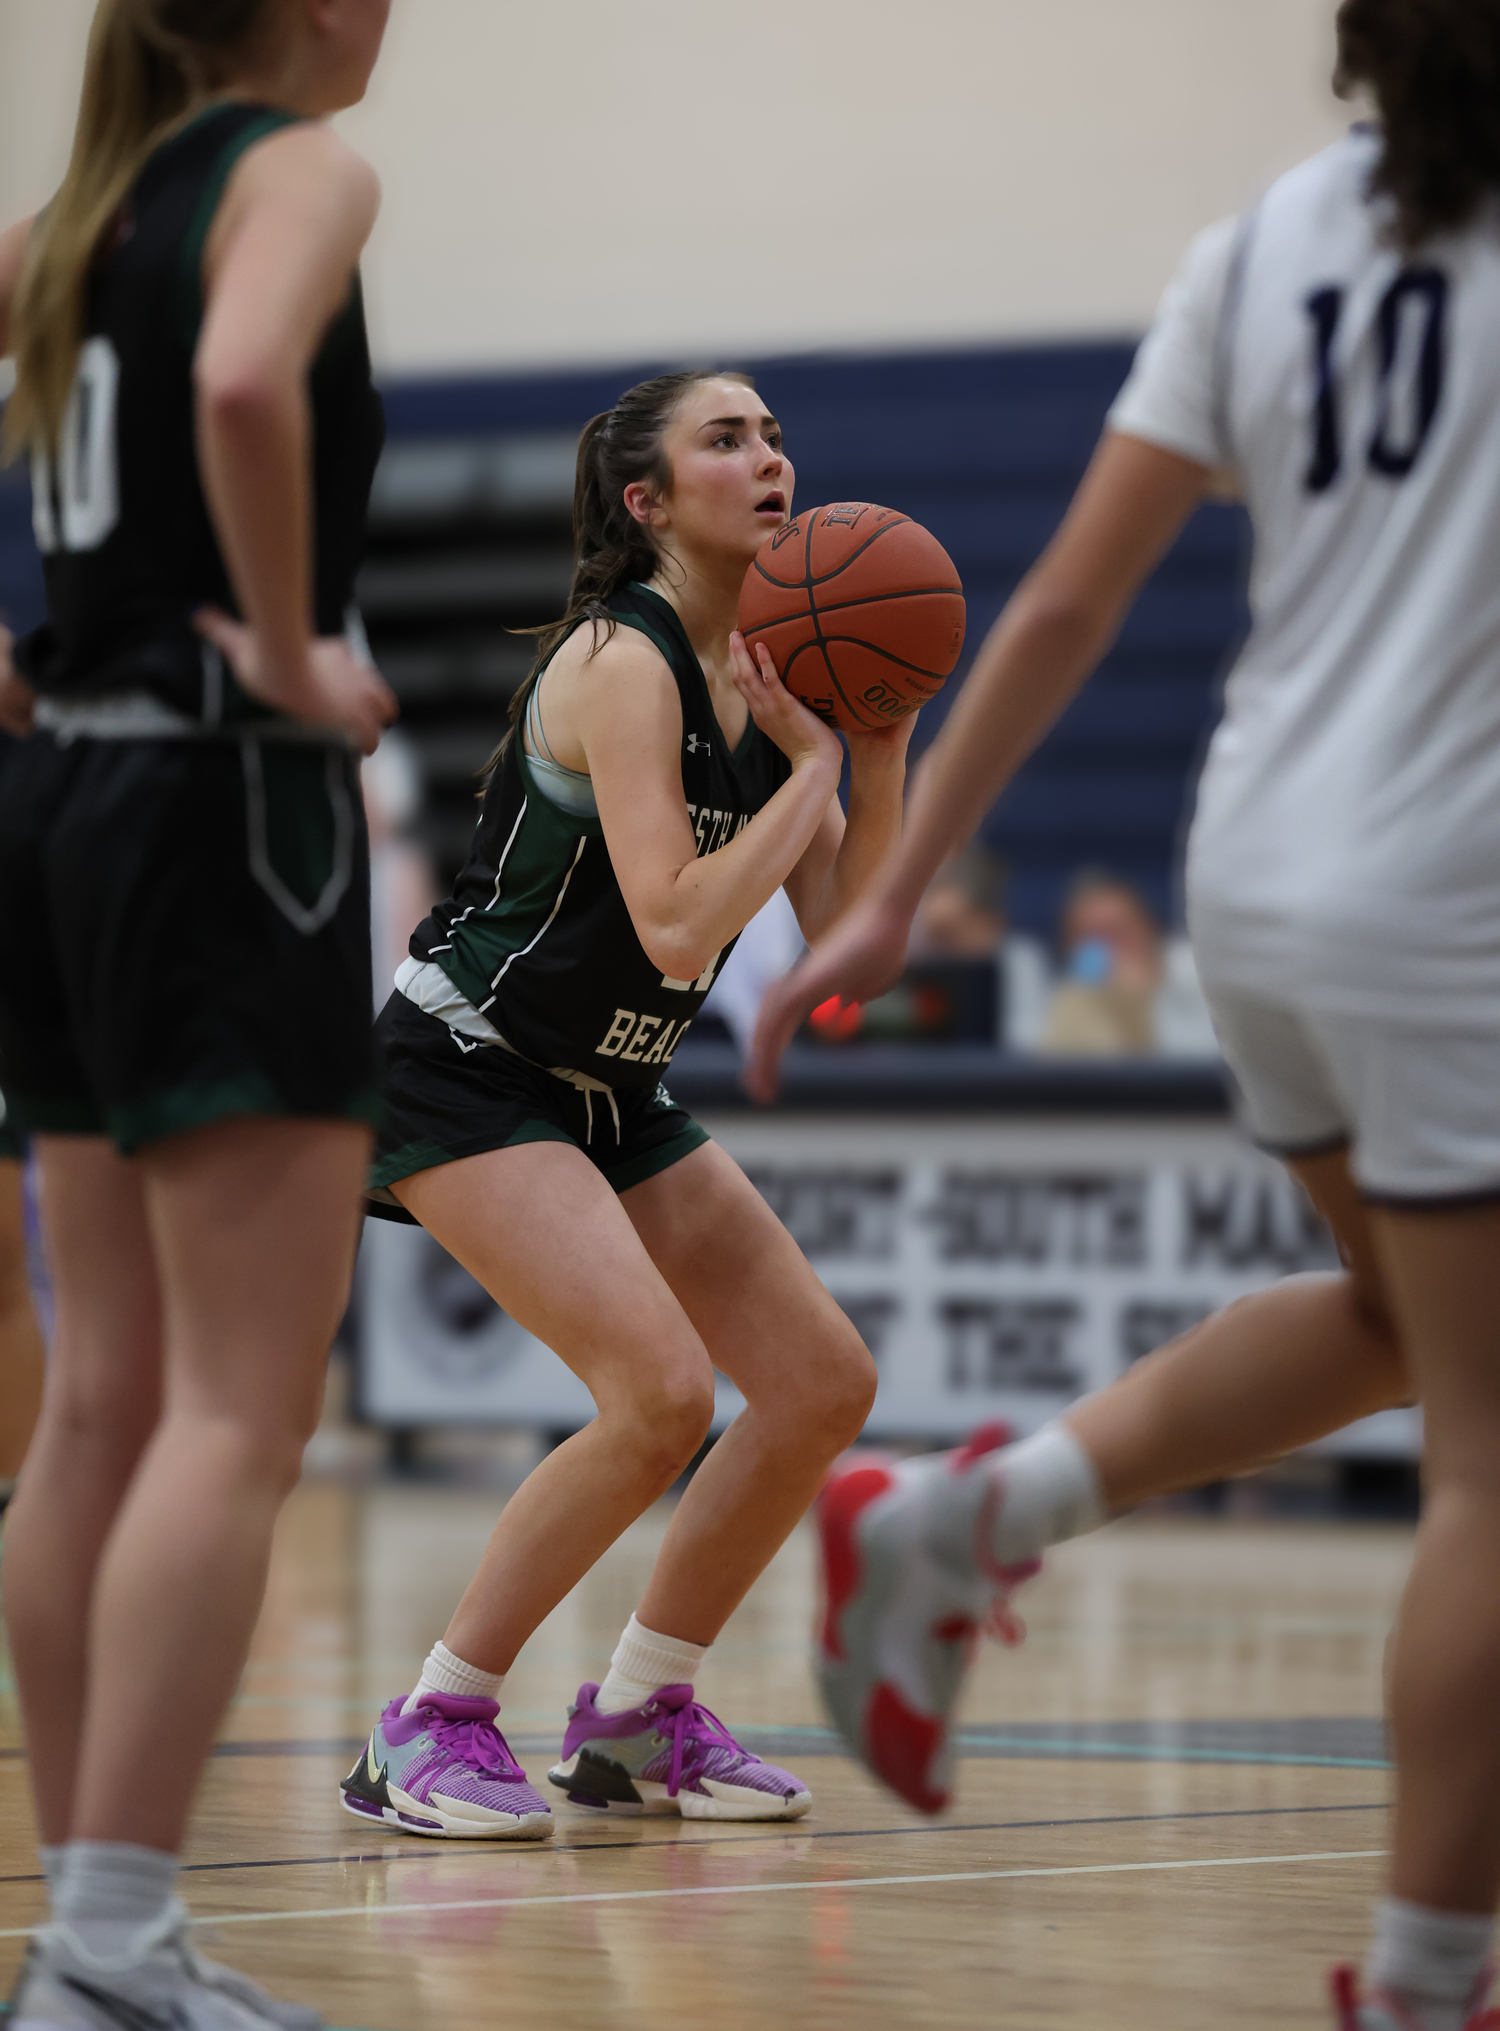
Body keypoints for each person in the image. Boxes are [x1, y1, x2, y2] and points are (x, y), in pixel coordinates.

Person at [749, 3, 1500, 2025]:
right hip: (1454, 892)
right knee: (1494, 1458)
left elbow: (1071, 596)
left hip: (1258, 875)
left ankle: (964, 1512)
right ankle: (1431, 1983)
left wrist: (900, 887)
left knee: (1391, 1322)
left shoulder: (1261, 245)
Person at [345, 368, 902, 1840]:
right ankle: (430, 1721)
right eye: (729, 437)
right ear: (649, 500)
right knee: (656, 1393)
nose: (771, 455)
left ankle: (645, 1712)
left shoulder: (766, 679)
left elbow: (850, 953)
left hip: (608, 1079)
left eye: (778, 430)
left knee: (819, 1378)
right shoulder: (624, 657)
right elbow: (671, 922)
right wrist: (818, 768)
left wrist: (876, 745)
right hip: (470, 1059)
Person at [0, 2, 397, 2026]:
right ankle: (111, 1945)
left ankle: (97, 1946)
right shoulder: (295, 166)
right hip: (221, 791)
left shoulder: (62, 225)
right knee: (241, 1403)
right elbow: (247, 378)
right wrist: (299, 652)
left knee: (100, 1401)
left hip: (60, 790)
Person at [1040, 868, 1164, 1055]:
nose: (1109, 951)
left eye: (1118, 934)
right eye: (1093, 939)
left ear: (1148, 930)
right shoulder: (1065, 1004)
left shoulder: (1195, 981)